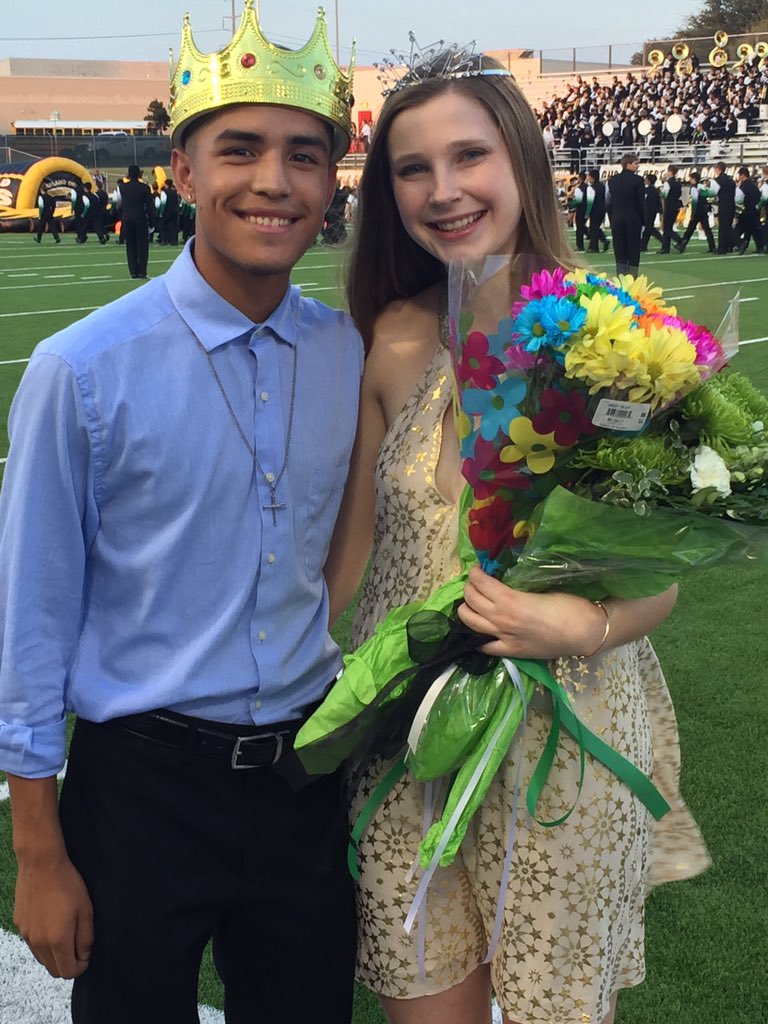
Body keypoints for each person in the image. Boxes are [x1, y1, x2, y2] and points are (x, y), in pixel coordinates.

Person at [326, 49, 709, 1024]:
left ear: (522, 162)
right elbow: (354, 555)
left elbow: (656, 577)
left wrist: (570, 626)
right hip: (409, 734)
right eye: (413, 168)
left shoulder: (615, 332)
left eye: (469, 156)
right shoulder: (393, 334)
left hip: (565, 736)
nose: (444, 190)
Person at [0, 5, 361, 1024]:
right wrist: (38, 850)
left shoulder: (348, 357)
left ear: (329, 176)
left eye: (303, 153)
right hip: (141, 787)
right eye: (237, 150)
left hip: (304, 776)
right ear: (185, 170)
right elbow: (30, 614)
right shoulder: (82, 370)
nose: (273, 181)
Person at [606, 151, 644, 275]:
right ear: (628, 164)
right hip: (633, 218)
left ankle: (620, 276)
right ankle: (632, 276)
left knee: (620, 249)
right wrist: (643, 220)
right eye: (636, 163)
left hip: (617, 218)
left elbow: (609, 203)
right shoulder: (638, 180)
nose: (638, 166)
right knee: (633, 250)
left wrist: (612, 218)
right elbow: (640, 202)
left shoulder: (612, 180)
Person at [115, 165, 154, 278]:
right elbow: (150, 206)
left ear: (128, 174)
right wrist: (152, 222)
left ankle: (133, 271)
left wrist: (124, 213)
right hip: (140, 217)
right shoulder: (145, 188)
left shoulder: (122, 187)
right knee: (142, 245)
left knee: (130, 245)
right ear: (139, 174)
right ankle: (142, 271)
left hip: (127, 218)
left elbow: (119, 204)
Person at [678, 171, 716, 253]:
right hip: (704, 210)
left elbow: (694, 202)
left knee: (690, 229)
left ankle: (682, 244)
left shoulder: (694, 188)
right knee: (707, 229)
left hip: (697, 211)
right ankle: (712, 246)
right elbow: (708, 195)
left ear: (694, 179)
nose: (690, 180)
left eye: (691, 178)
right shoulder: (702, 186)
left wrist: (692, 214)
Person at [734, 165, 763, 254]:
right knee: (754, 230)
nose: (739, 177)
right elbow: (759, 197)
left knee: (738, 230)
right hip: (755, 211)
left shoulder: (743, 187)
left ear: (743, 175)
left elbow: (738, 199)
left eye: (739, 175)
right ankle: (759, 247)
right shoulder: (754, 186)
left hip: (746, 211)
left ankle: (738, 244)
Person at [711, 161, 737, 255]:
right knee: (726, 226)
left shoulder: (718, 180)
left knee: (724, 227)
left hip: (723, 205)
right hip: (731, 204)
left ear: (718, 169)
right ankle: (724, 248)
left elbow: (712, 193)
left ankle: (739, 242)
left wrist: (702, 192)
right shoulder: (731, 180)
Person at [658, 164, 683, 253]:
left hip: (669, 206)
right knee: (668, 226)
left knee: (667, 228)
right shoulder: (678, 183)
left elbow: (664, 195)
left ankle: (680, 241)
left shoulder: (667, 183)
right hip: (676, 205)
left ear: (670, 172)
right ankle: (665, 247)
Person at [586, 167, 609, 252]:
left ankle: (594, 247)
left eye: (588, 176)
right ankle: (603, 239)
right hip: (602, 209)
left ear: (592, 177)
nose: (588, 178)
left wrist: (587, 212)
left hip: (594, 210)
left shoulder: (591, 188)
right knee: (595, 227)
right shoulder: (602, 186)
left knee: (593, 229)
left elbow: (590, 202)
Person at [640, 171, 664, 251]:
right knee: (648, 229)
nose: (645, 180)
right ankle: (643, 245)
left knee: (649, 229)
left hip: (648, 211)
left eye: (646, 179)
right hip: (652, 211)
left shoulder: (648, 190)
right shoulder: (655, 190)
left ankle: (664, 241)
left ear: (649, 181)